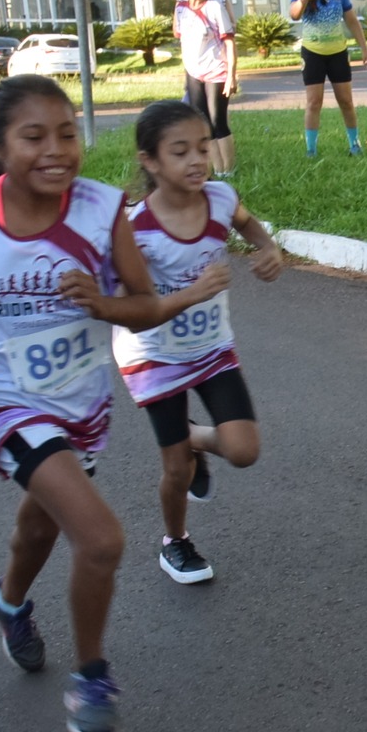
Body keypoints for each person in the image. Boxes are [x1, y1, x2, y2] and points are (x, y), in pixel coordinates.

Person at [0, 76, 228, 732]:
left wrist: (103, 302)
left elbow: (144, 306)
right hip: (4, 399)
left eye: (67, 133)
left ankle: (7, 601)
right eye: (34, 136)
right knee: (101, 537)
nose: (57, 150)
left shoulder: (100, 208)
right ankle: (91, 675)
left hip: (82, 402)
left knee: (42, 527)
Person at [112, 100, 285, 584]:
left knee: (244, 450)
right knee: (175, 470)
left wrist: (269, 250)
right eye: (179, 151)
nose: (195, 160)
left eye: (202, 148)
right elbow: (136, 310)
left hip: (211, 348)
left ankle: (191, 439)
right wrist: (192, 293)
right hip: (152, 355)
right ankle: (176, 542)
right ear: (150, 161)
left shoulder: (220, 200)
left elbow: (250, 227)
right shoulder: (136, 230)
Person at [289, 0, 367, 158]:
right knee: (314, 102)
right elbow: (294, 15)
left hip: (338, 52)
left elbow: (352, 21)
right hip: (313, 52)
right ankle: (311, 149)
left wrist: (364, 49)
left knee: (346, 101)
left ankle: (355, 144)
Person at [172, 0, 238, 177]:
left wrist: (231, 76)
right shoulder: (180, 9)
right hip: (194, 73)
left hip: (216, 71)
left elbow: (229, 42)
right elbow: (179, 34)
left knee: (218, 120)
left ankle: (229, 169)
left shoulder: (215, 6)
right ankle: (216, 169)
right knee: (202, 123)